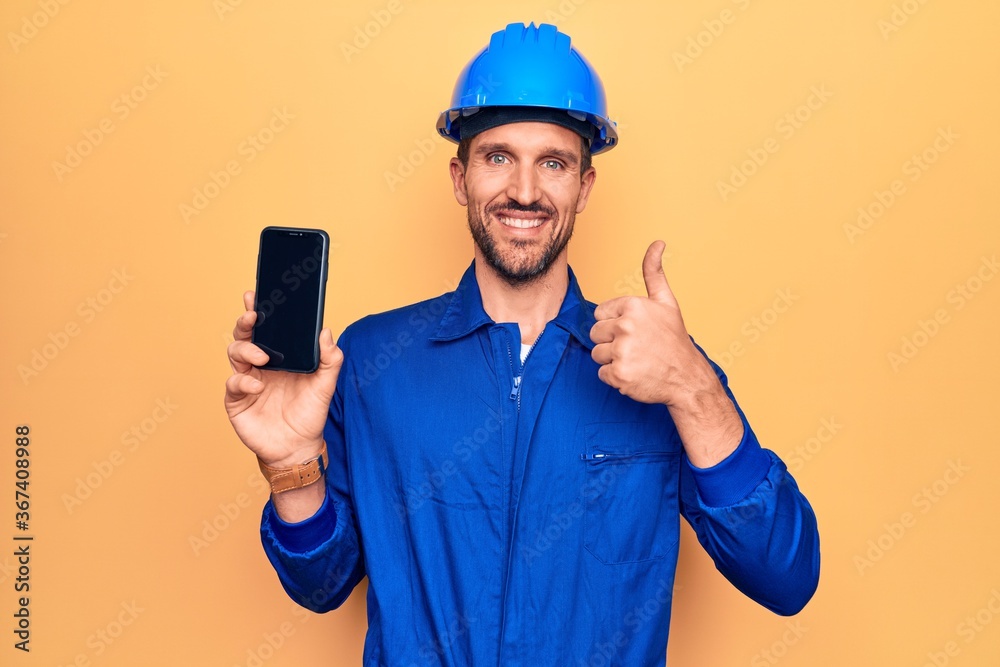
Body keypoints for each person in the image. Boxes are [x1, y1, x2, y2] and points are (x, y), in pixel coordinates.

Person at [225, 22, 819, 666]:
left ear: (585, 186)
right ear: (461, 178)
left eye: (554, 163)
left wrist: (694, 389)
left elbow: (786, 579)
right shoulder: (372, 361)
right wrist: (291, 466)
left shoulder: (659, 363)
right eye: (498, 156)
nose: (525, 192)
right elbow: (321, 583)